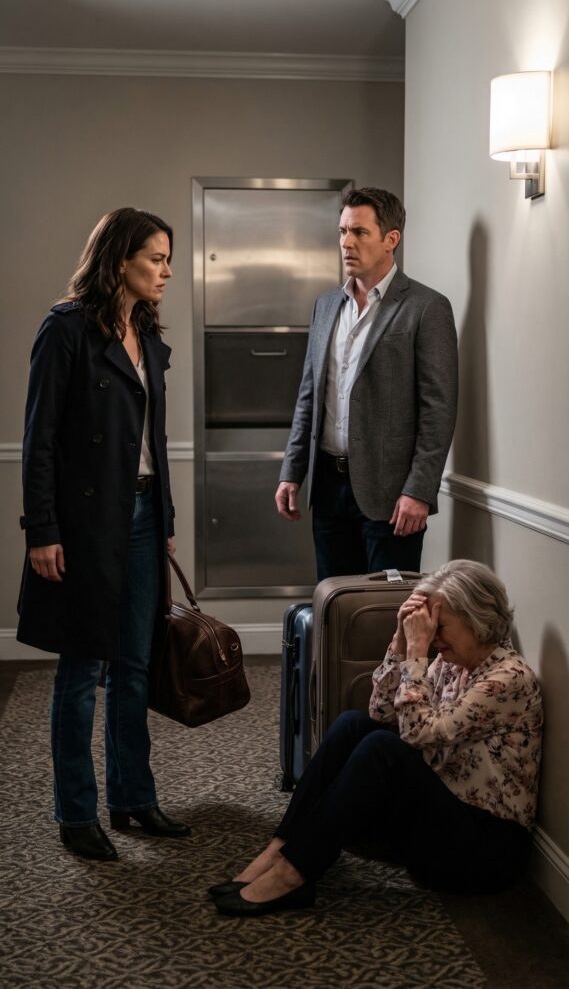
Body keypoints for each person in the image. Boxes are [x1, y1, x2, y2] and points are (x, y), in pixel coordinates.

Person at [209, 560, 543, 916]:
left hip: (486, 852)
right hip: (447, 819)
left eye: (440, 626)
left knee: (382, 749)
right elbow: (381, 711)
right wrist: (400, 641)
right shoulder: (455, 661)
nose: (434, 638)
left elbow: (416, 734)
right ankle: (282, 848)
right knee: (353, 725)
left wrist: (417, 653)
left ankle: (293, 873)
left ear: (477, 619)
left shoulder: (507, 679)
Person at [17, 207, 191, 861]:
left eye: (169, 259)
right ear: (120, 261)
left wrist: (164, 519)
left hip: (143, 517)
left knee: (135, 665)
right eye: (156, 259)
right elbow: (39, 441)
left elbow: (154, 441)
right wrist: (42, 530)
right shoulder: (65, 329)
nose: (166, 271)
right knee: (83, 666)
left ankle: (133, 798)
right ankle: (75, 812)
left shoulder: (144, 330)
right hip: (87, 523)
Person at [275, 187, 458, 580]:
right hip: (327, 489)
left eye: (359, 232)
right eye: (342, 232)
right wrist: (292, 470)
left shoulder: (426, 307)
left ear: (391, 239)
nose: (347, 243)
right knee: (334, 605)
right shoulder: (326, 306)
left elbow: (438, 411)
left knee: (384, 611)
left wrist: (419, 490)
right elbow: (309, 396)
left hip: (391, 496)